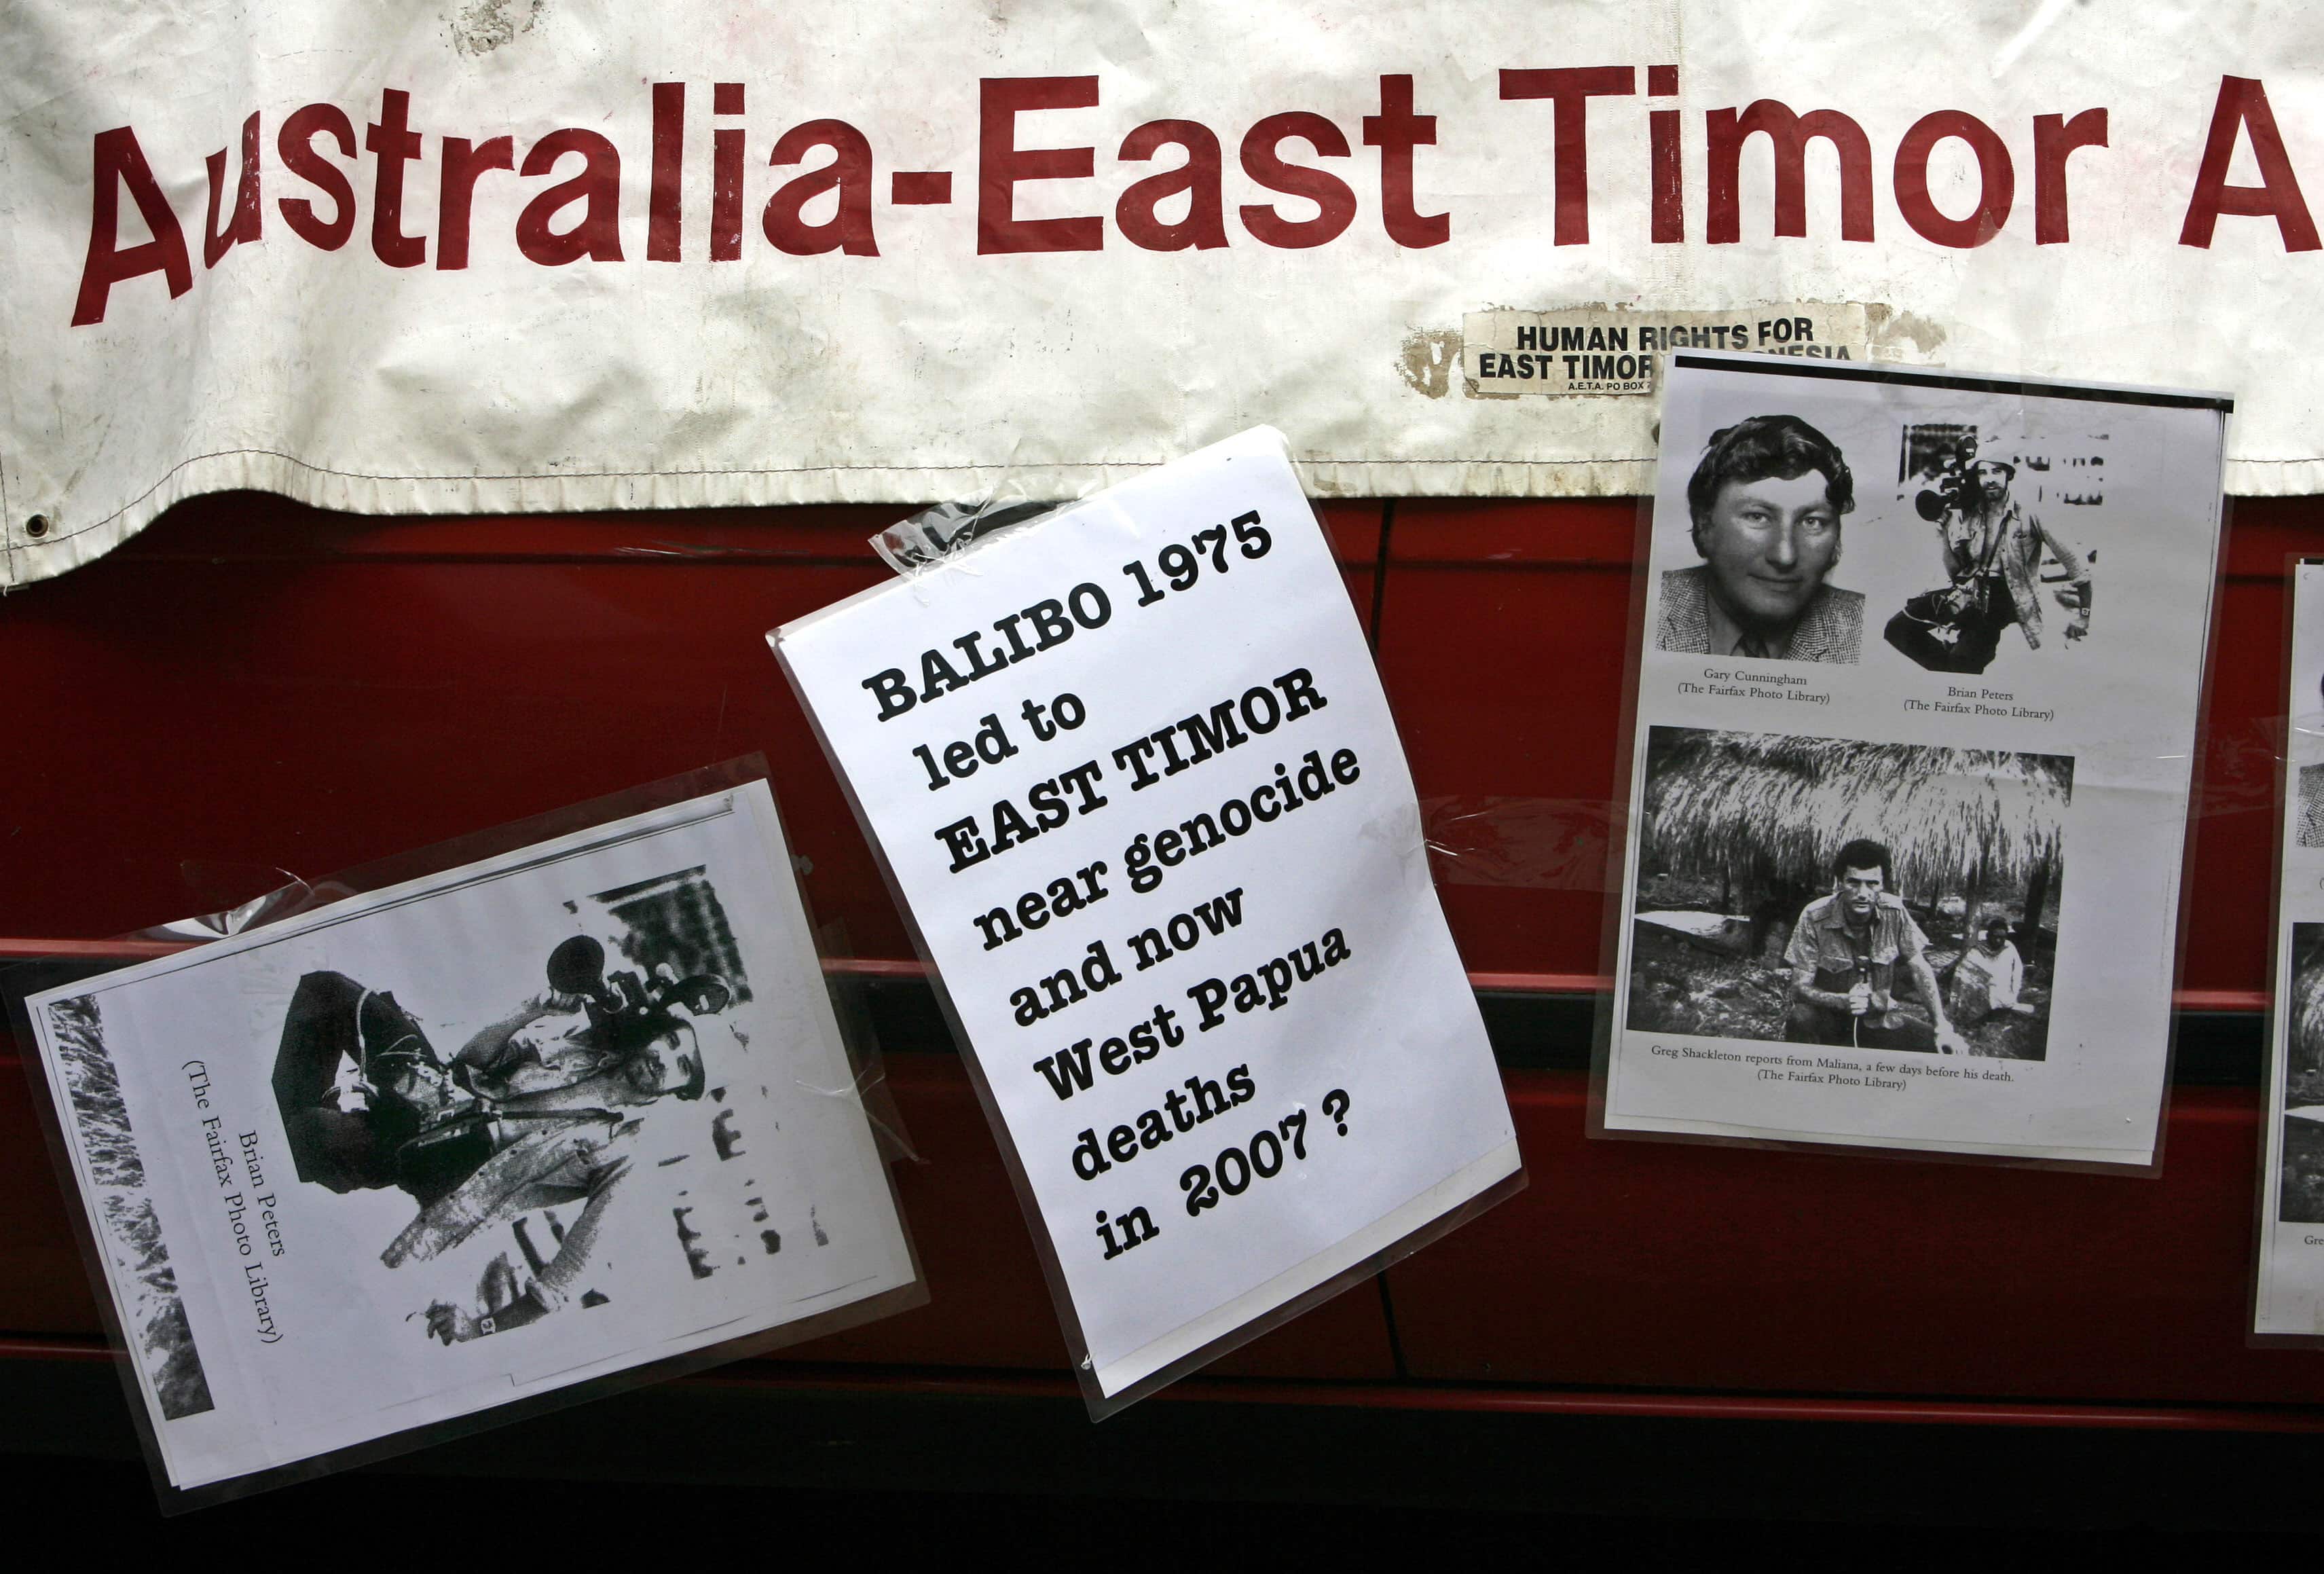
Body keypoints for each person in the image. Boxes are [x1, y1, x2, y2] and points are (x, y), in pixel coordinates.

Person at [1657, 414, 1863, 663]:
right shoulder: (1647, 605)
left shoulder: (1864, 626)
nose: (1785, 556)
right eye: (1757, 517)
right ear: (1704, 526)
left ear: (1836, 542)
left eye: (1812, 522)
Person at [1782, 839, 1968, 1053]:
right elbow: (1799, 988)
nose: (1862, 893)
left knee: (1940, 1048)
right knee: (1801, 1018)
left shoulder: (1895, 912)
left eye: (1872, 883)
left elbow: (1919, 967)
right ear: (1839, 883)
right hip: (1827, 1020)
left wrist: (1941, 1026)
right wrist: (1843, 1001)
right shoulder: (1815, 917)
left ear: (1883, 885)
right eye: (1853, 882)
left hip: (1877, 1019)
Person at [1932, 458, 2092, 661]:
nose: (1990, 479)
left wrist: (2083, 616)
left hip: (2011, 599)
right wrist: (1942, 537)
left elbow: (2077, 565)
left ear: (2009, 475)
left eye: (1997, 471)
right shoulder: (1972, 514)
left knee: (1961, 660)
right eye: (1983, 473)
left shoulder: (2029, 512)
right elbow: (1957, 574)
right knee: (1899, 629)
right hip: (1975, 597)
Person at [1950, 915, 2035, 1027]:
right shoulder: (1977, 950)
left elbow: (2017, 972)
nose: (1998, 940)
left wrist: (2014, 994)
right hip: (1978, 994)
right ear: (1988, 936)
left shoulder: (2009, 949)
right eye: (1995, 937)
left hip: (2002, 993)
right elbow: (1962, 972)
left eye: (2002, 937)